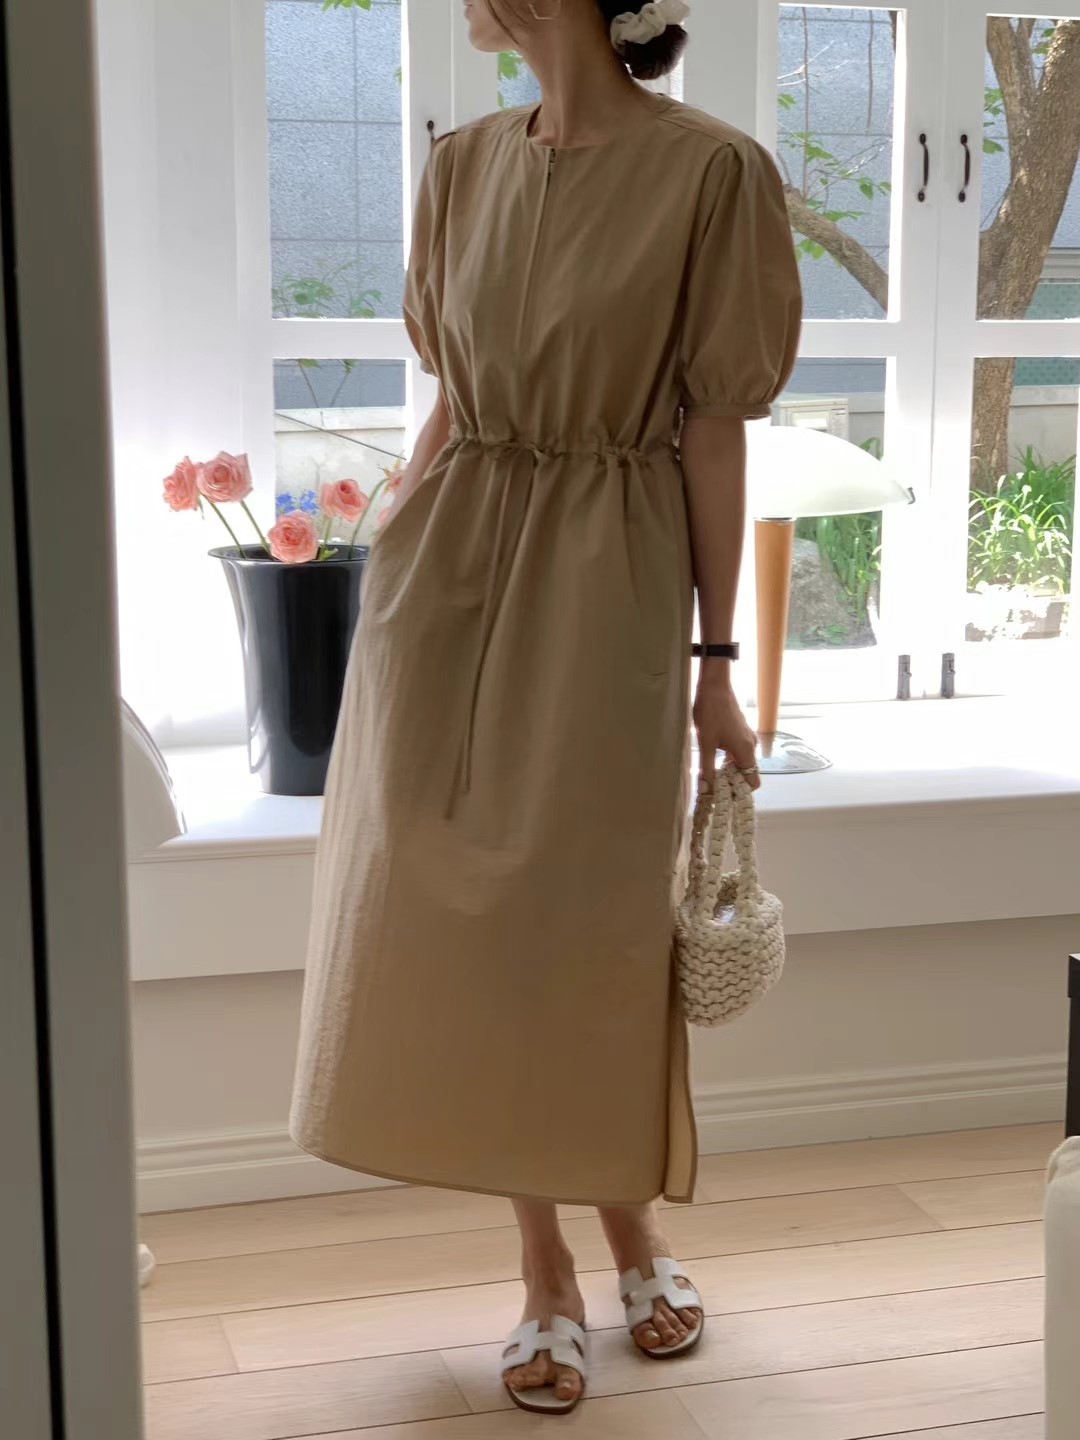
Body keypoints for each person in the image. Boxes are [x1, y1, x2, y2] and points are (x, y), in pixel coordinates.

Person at [290, 0, 801, 1416]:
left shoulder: (714, 173)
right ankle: (546, 1271)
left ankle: (628, 1224)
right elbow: (455, 400)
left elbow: (712, 432)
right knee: (471, 935)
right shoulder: (461, 166)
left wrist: (716, 663)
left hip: (608, 583)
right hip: (442, 584)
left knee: (584, 929)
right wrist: (392, 552)